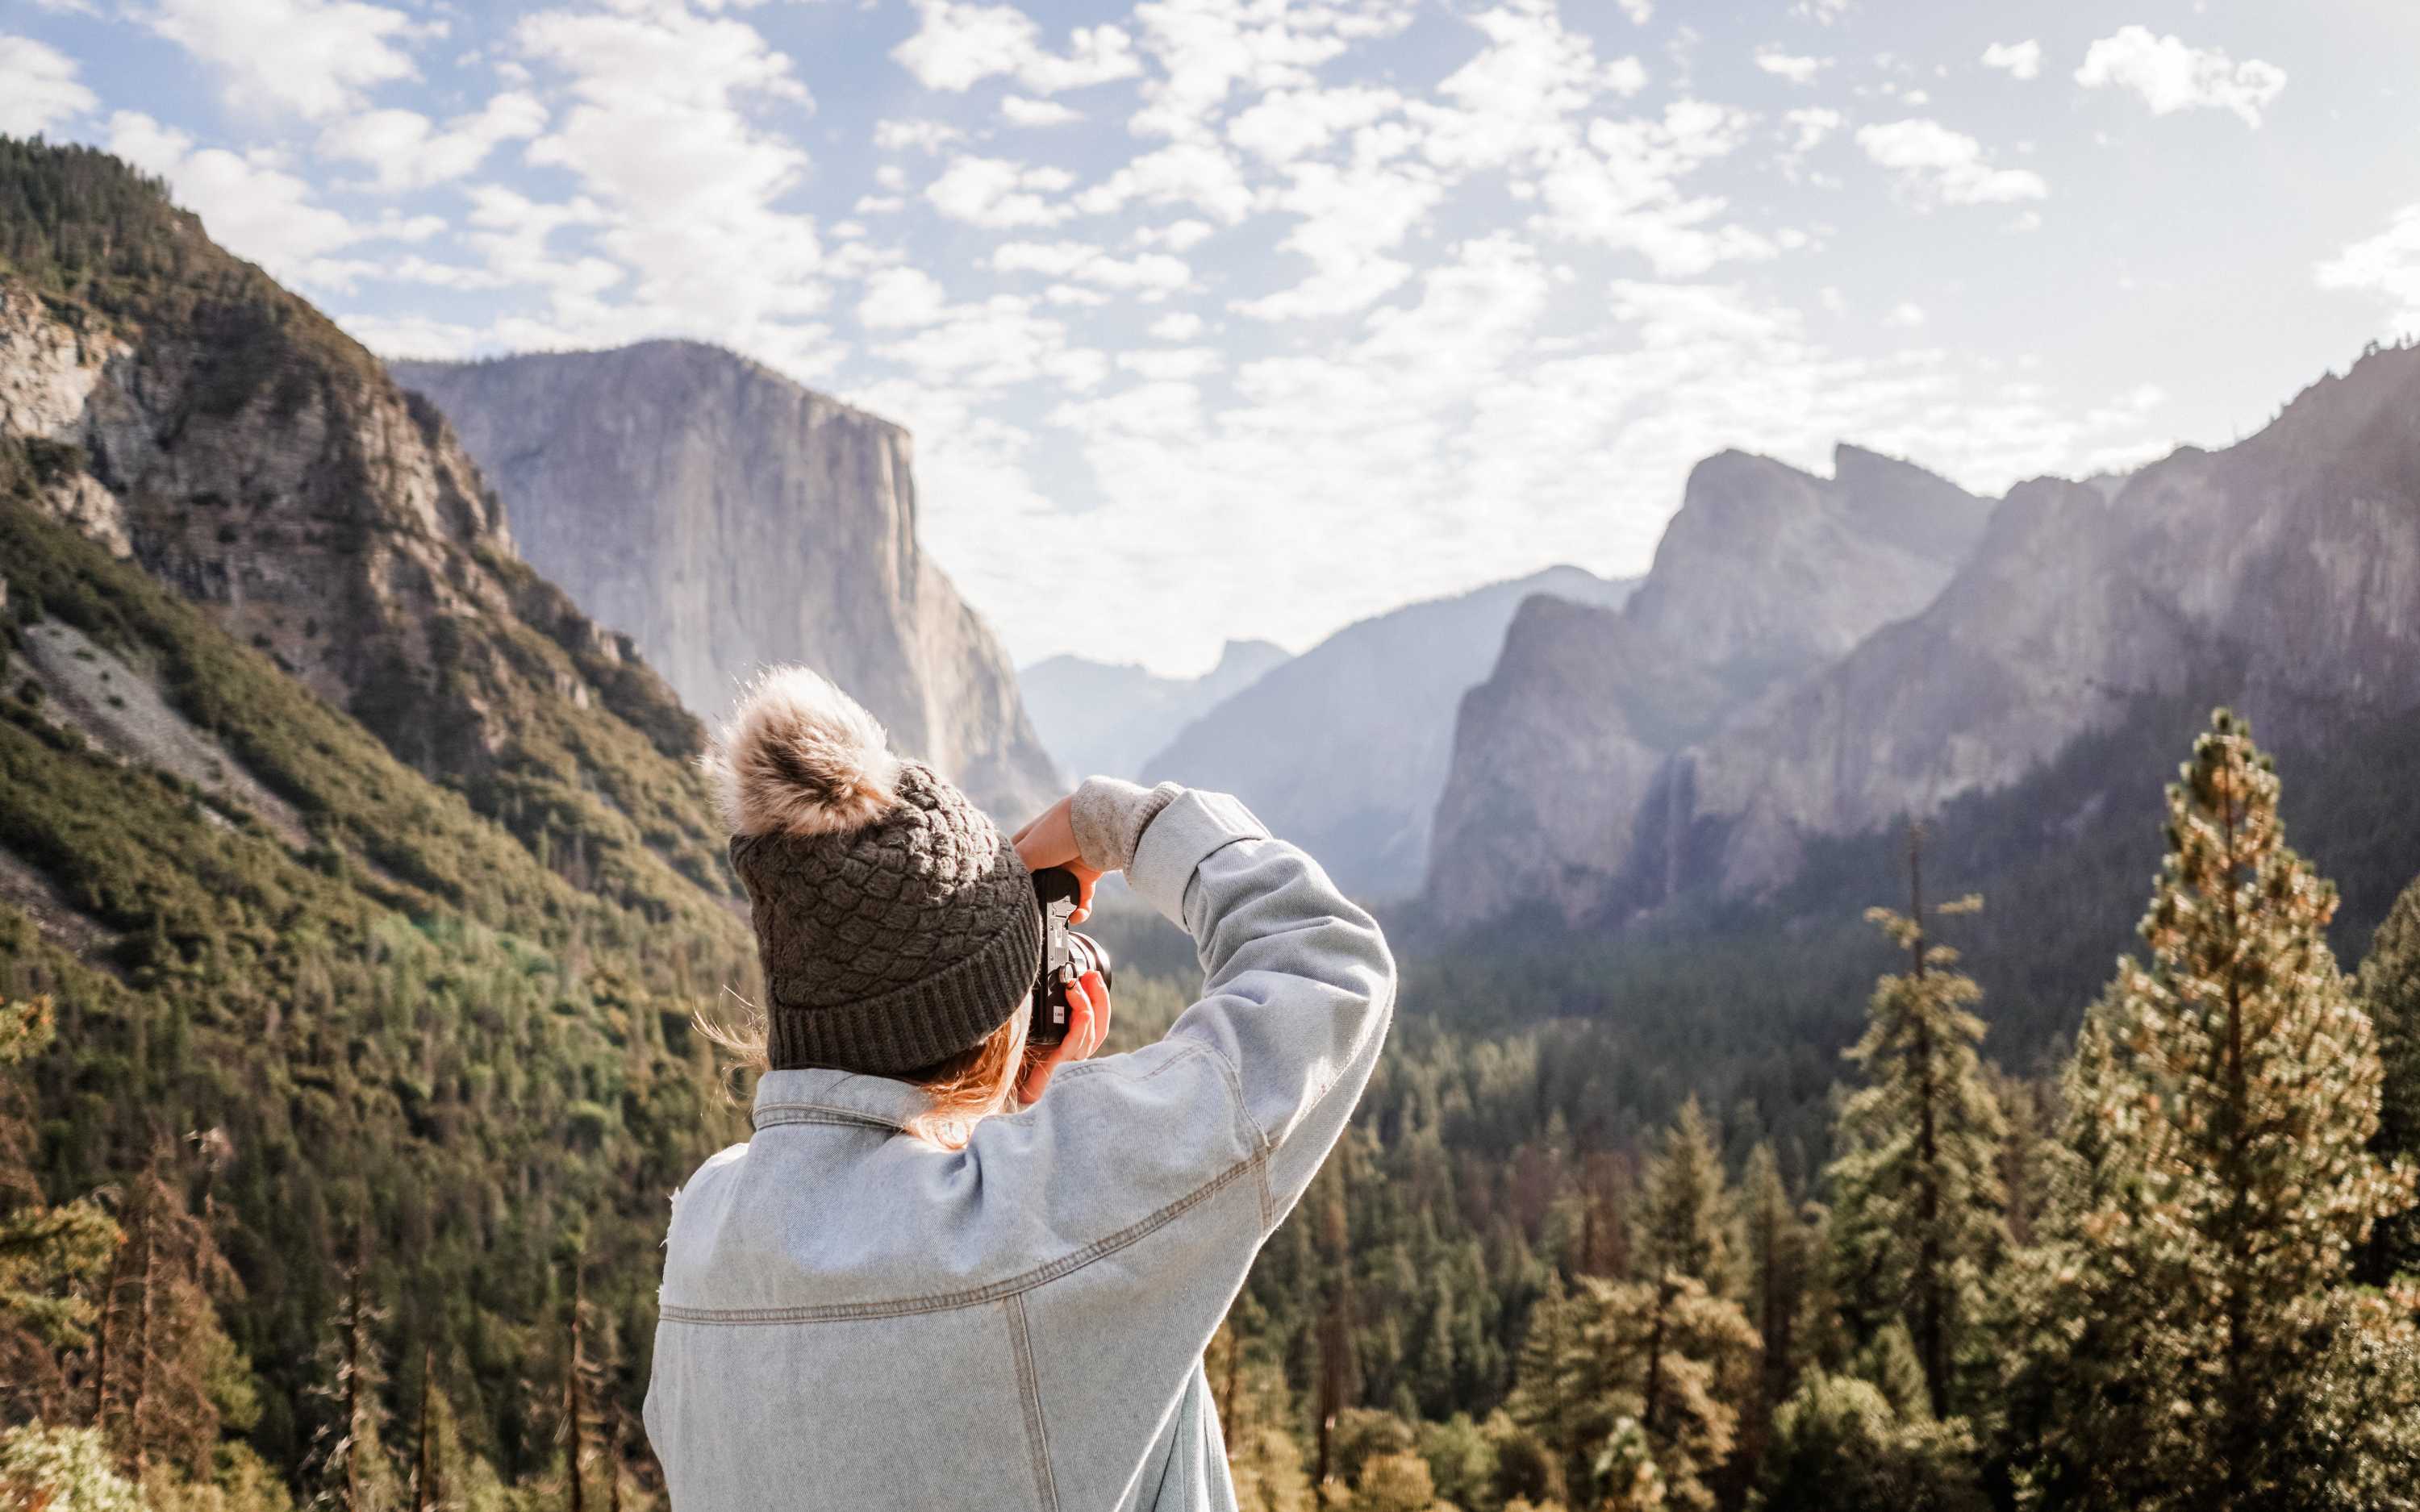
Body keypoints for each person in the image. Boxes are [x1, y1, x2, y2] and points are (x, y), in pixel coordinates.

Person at [642, 666, 1396, 1510]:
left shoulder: (705, 1237)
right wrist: (1125, 824)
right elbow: (1327, 967)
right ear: (995, 1024)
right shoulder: (1034, 1220)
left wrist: (1004, 1098)